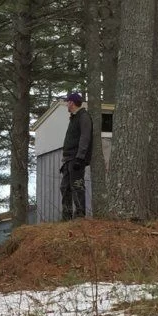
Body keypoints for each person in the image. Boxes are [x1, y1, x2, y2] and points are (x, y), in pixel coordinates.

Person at [60, 90, 91, 220]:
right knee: (65, 187)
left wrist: (80, 157)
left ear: (72, 103)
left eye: (68, 102)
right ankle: (66, 217)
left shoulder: (83, 116)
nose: (67, 105)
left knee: (77, 185)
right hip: (68, 159)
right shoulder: (74, 118)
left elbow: (85, 137)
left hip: (76, 159)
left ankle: (80, 215)